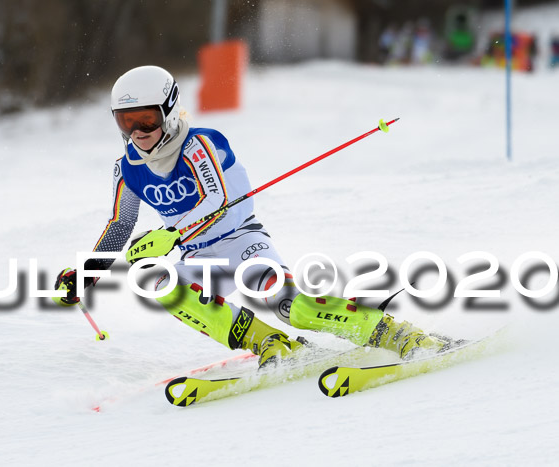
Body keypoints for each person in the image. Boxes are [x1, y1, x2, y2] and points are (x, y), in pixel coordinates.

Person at [53, 65, 449, 367]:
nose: (138, 131)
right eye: (127, 121)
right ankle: (269, 344)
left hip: (243, 242)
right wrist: (86, 274)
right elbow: (121, 225)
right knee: (162, 285)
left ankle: (398, 335)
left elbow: (217, 198)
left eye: (147, 119)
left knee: (295, 308)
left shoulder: (199, 144)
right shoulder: (127, 169)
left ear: (169, 109)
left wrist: (170, 233)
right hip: (199, 257)